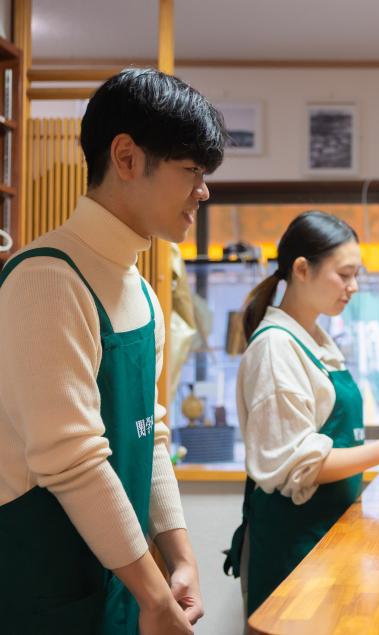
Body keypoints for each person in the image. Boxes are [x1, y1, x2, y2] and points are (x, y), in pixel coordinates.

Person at [0, 68, 226, 634]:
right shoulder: (47, 278)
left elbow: (151, 437)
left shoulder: (144, 295)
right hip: (45, 586)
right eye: (192, 171)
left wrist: (181, 557)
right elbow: (72, 458)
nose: (204, 190)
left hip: (122, 580)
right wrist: (153, 596)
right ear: (126, 158)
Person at [223, 211, 379, 616]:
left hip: (327, 536)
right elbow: (299, 465)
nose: (354, 287)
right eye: (344, 275)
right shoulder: (276, 348)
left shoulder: (316, 340)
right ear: (302, 269)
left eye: (356, 275)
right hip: (293, 544)